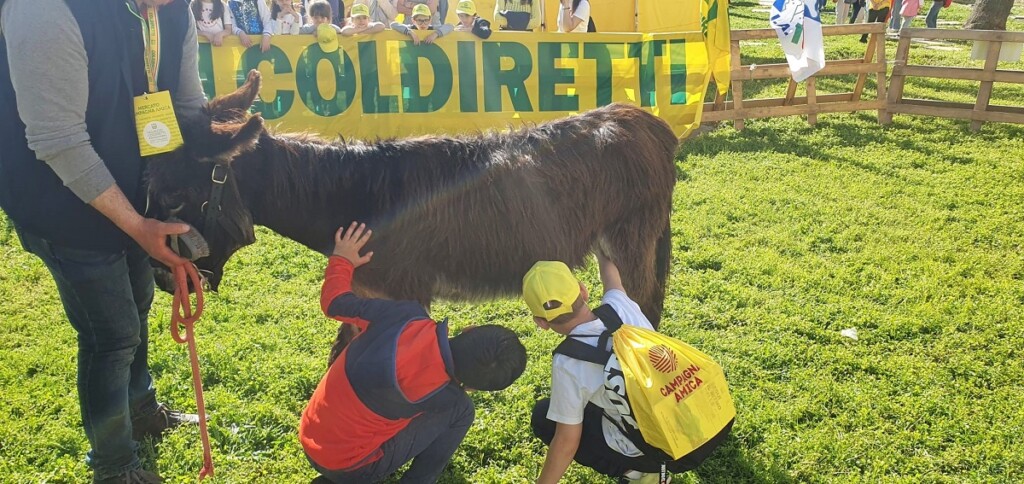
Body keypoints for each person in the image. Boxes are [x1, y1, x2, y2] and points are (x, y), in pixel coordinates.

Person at [0, 0, 207, 482]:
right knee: (110, 336)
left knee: (136, 307)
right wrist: (137, 225)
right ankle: (113, 467)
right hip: (61, 204)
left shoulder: (174, 11)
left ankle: (141, 410)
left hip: (136, 196)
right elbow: (58, 140)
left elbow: (191, 107)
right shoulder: (45, 8)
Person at [300, 222, 528, 483]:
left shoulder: (403, 315)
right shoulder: (449, 400)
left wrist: (342, 259)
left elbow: (335, 303)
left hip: (310, 433)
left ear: (469, 328)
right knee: (463, 412)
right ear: (476, 387)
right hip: (353, 469)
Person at [522, 254, 727, 484]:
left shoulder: (568, 362)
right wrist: (601, 250)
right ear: (583, 291)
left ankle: (639, 474)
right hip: (705, 422)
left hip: (663, 453)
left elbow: (567, 442)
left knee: (544, 416)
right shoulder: (619, 305)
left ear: (541, 322)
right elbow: (611, 276)